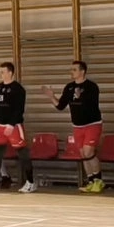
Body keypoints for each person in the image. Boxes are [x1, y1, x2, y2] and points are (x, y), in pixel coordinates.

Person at [45, 62, 104, 193]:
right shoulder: (69, 87)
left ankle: (99, 181)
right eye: (71, 69)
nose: (71, 72)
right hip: (77, 126)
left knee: (88, 152)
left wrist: (78, 95)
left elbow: (89, 104)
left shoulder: (91, 86)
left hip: (92, 124)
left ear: (82, 71)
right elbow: (60, 106)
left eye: (74, 70)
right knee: (83, 154)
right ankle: (91, 181)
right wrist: (51, 96)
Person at [0, 62, 35, 194]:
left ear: (10, 73)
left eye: (2, 72)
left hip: (14, 127)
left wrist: (11, 124)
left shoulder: (18, 89)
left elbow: (19, 109)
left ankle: (30, 182)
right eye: (0, 72)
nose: (0, 74)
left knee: (23, 154)